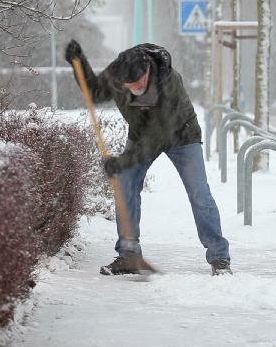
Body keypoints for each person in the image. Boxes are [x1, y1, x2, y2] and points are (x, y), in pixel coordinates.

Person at [64, 39, 232, 276]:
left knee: (199, 193)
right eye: (130, 85)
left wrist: (121, 161)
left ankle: (219, 257)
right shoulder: (117, 73)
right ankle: (128, 255)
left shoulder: (168, 82)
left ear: (148, 70)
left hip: (181, 134)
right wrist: (78, 62)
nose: (136, 88)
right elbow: (94, 91)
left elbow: (156, 136)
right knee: (125, 185)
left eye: (140, 82)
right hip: (141, 134)